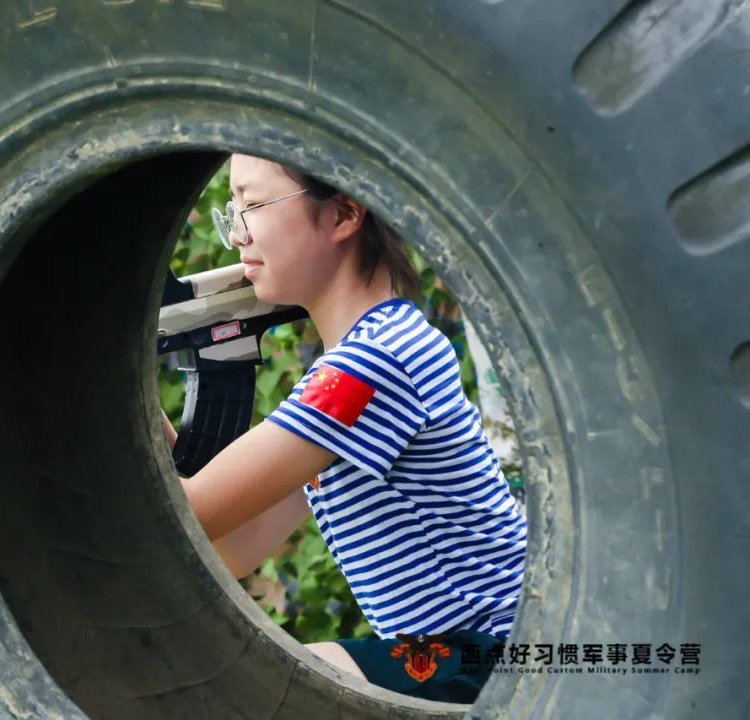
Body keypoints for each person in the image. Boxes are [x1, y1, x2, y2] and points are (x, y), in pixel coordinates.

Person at [159, 153, 527, 703]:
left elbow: (190, 511)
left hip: (495, 650)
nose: (237, 234)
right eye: (232, 210)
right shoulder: (353, 366)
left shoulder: (371, 367)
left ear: (343, 216)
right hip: (463, 651)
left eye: (254, 205)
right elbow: (232, 546)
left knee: (269, 689)